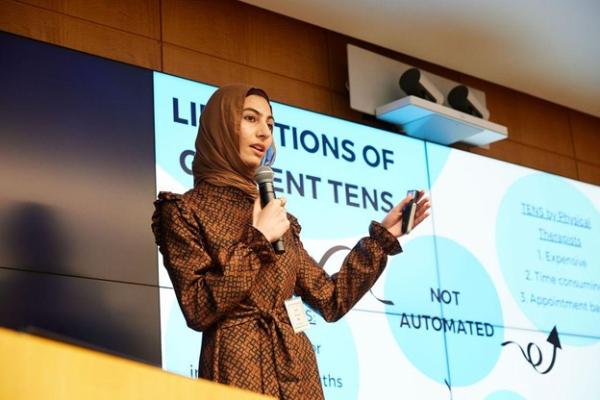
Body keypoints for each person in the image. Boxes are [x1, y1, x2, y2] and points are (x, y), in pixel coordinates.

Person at [151, 84, 430, 399]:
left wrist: (381, 239)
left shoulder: (276, 215)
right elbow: (198, 308)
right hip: (235, 369)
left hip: (298, 373)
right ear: (221, 126)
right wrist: (257, 240)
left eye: (270, 125)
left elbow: (330, 299)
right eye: (251, 119)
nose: (264, 133)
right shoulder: (185, 210)